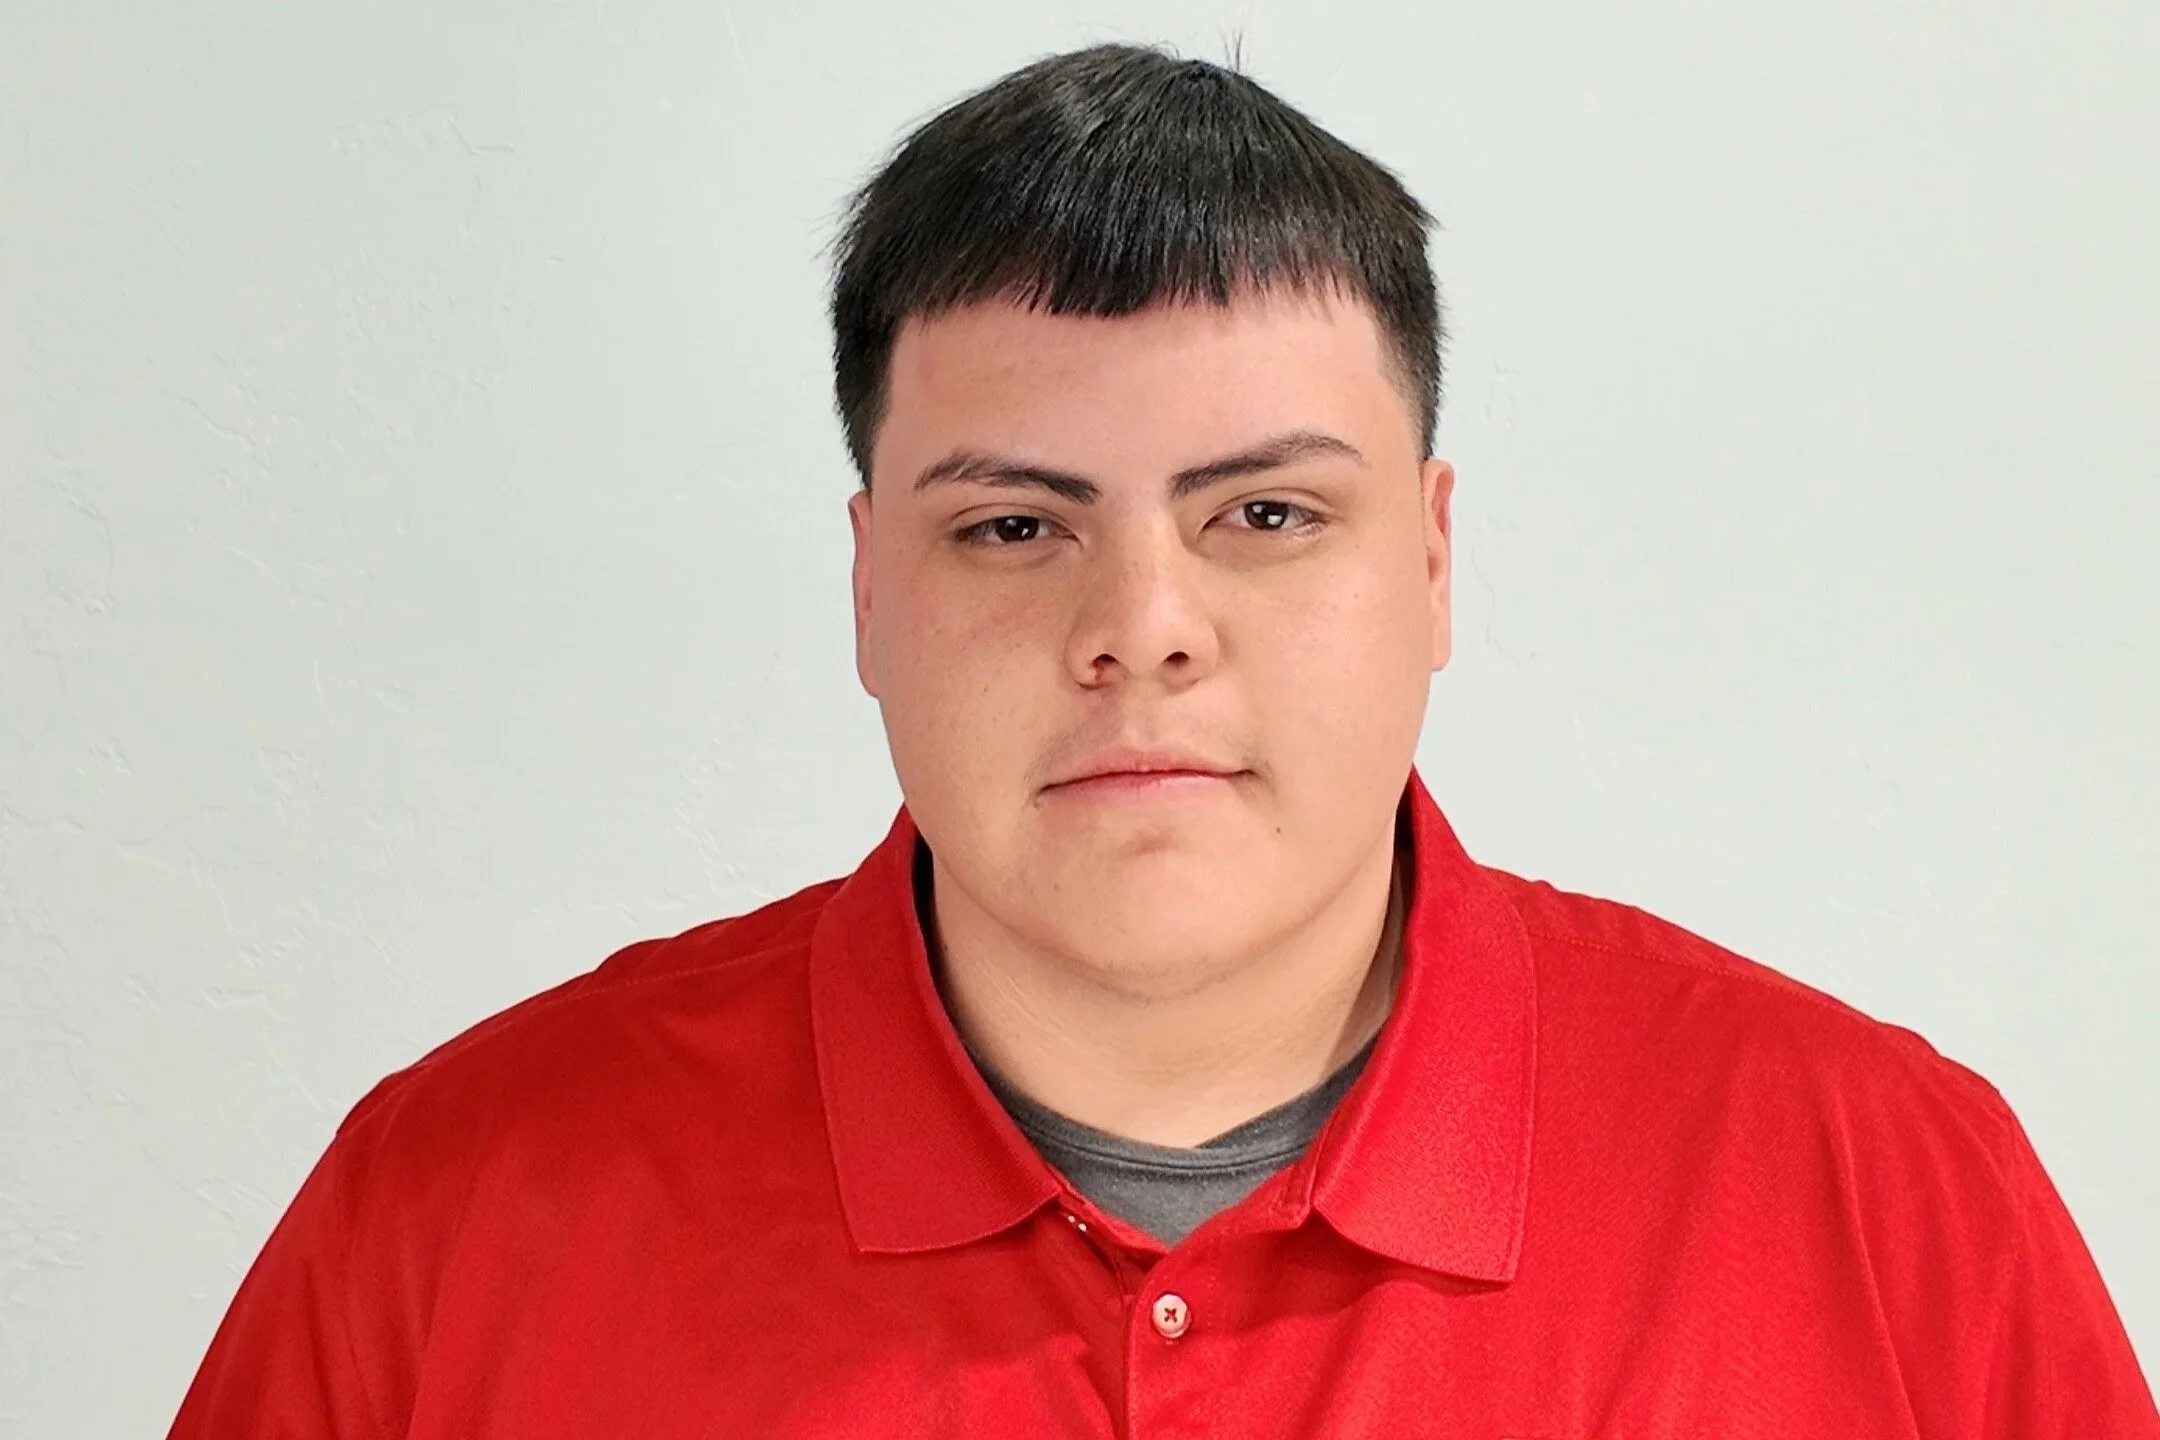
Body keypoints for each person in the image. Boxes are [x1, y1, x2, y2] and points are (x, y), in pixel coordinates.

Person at [169, 43, 2156, 1439]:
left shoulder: (1881, 1199)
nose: (1141, 631)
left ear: (1437, 563)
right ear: (869, 585)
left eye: (1265, 515)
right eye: (1015, 527)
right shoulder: (453, 1224)